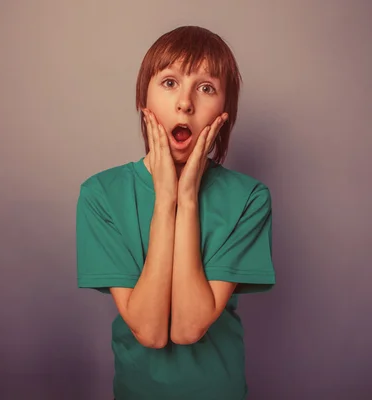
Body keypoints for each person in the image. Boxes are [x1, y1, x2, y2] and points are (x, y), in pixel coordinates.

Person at [76, 25, 276, 400]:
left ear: (225, 113)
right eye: (170, 82)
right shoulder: (101, 194)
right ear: (144, 99)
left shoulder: (249, 198)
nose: (185, 103)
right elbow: (150, 332)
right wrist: (164, 198)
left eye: (206, 88)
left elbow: (188, 328)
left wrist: (185, 199)